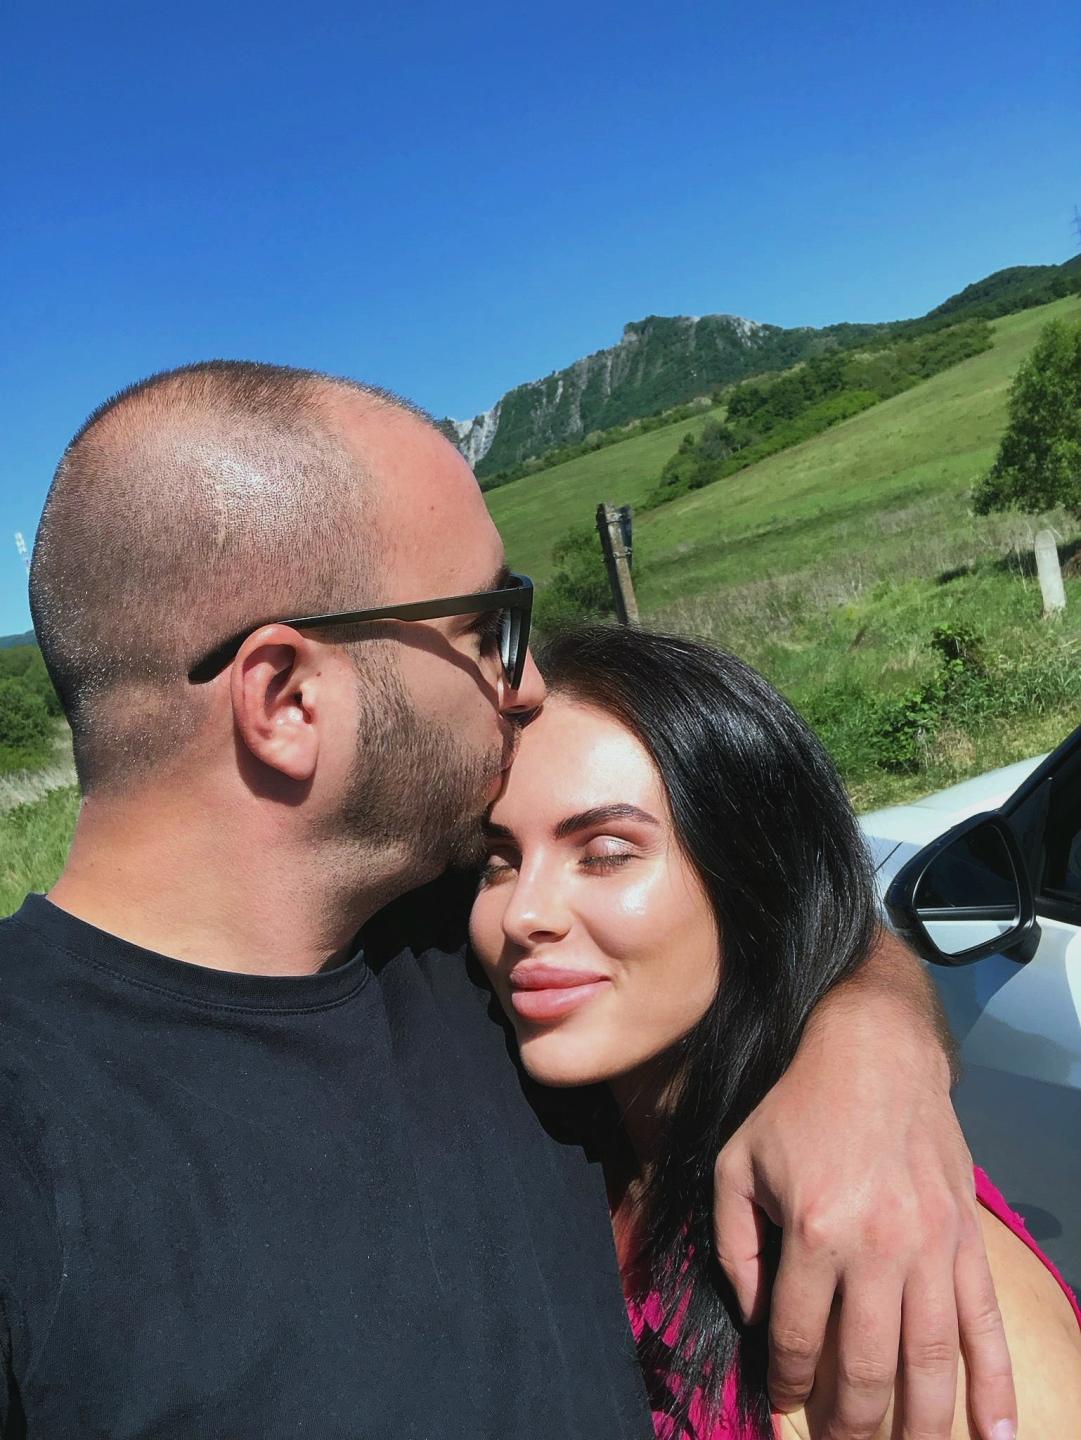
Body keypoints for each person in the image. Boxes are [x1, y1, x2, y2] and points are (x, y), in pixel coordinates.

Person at [0, 360, 1012, 1438]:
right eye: (486, 626)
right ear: (288, 698)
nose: (523, 683)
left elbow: (772, 907)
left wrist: (866, 1049)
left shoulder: (461, 938)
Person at [469, 624, 1081, 1439]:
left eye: (606, 852)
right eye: (498, 861)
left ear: (756, 877)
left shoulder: (882, 1270)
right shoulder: (565, 1142)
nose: (522, 914)